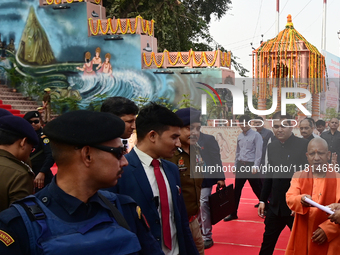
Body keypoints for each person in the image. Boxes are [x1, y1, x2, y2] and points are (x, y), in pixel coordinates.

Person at [0, 110, 164, 255]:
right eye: (118, 153)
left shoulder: (125, 210)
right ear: (87, 155)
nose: (124, 162)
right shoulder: (18, 224)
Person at [111, 103, 199, 255]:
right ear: (152, 136)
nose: (178, 143)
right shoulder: (120, 171)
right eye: (174, 137)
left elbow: (181, 220)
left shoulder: (171, 169)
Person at [258, 111, 309, 255]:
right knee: (267, 244)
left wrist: (300, 201)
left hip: (296, 208)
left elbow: (308, 177)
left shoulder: (303, 145)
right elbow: (270, 174)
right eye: (276, 126)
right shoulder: (271, 146)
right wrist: (262, 199)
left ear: (292, 126)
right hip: (275, 207)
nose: (279, 129)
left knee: (303, 245)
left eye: (283, 126)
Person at [285, 138, 340, 255]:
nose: (316, 158)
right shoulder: (299, 176)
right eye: (312, 153)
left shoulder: (338, 178)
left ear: (328, 155)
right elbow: (290, 197)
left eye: (320, 153)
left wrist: (328, 229)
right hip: (304, 232)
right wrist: (301, 199)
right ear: (307, 156)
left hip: (330, 238)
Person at [166, 108, 205, 255]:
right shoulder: (169, 153)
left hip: (194, 218)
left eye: (197, 128)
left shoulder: (196, 149)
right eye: (189, 128)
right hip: (177, 221)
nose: (194, 132)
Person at [224, 115, 263, 222]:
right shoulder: (240, 136)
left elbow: (259, 152)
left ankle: (267, 209)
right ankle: (233, 213)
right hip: (241, 166)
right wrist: (235, 166)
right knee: (236, 191)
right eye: (241, 123)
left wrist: (256, 166)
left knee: (257, 189)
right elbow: (238, 152)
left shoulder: (256, 135)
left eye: (246, 123)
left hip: (251, 166)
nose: (243, 125)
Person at [0, 115, 38, 212]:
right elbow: (19, 219)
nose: (30, 151)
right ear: (23, 142)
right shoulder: (19, 175)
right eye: (31, 148)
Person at [198, 127, 225, 249]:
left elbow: (216, 159)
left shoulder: (208, 140)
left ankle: (207, 236)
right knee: (194, 205)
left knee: (203, 203)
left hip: (206, 178)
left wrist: (220, 177)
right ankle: (197, 232)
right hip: (190, 179)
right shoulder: (184, 140)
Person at [23, 111, 54, 192]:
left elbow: (50, 155)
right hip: (27, 172)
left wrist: (42, 172)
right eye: (30, 122)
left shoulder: (43, 137)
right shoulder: (24, 136)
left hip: (40, 174)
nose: (33, 124)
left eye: (36, 121)